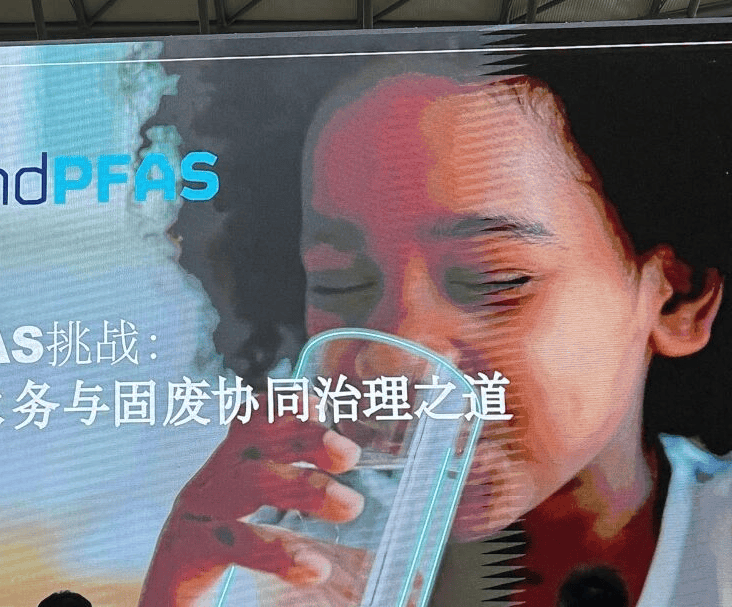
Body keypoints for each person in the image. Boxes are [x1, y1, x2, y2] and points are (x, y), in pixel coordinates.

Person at [141, 44, 731, 607]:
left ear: (676, 301)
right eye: (338, 284)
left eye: (493, 279)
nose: (391, 358)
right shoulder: (280, 561)